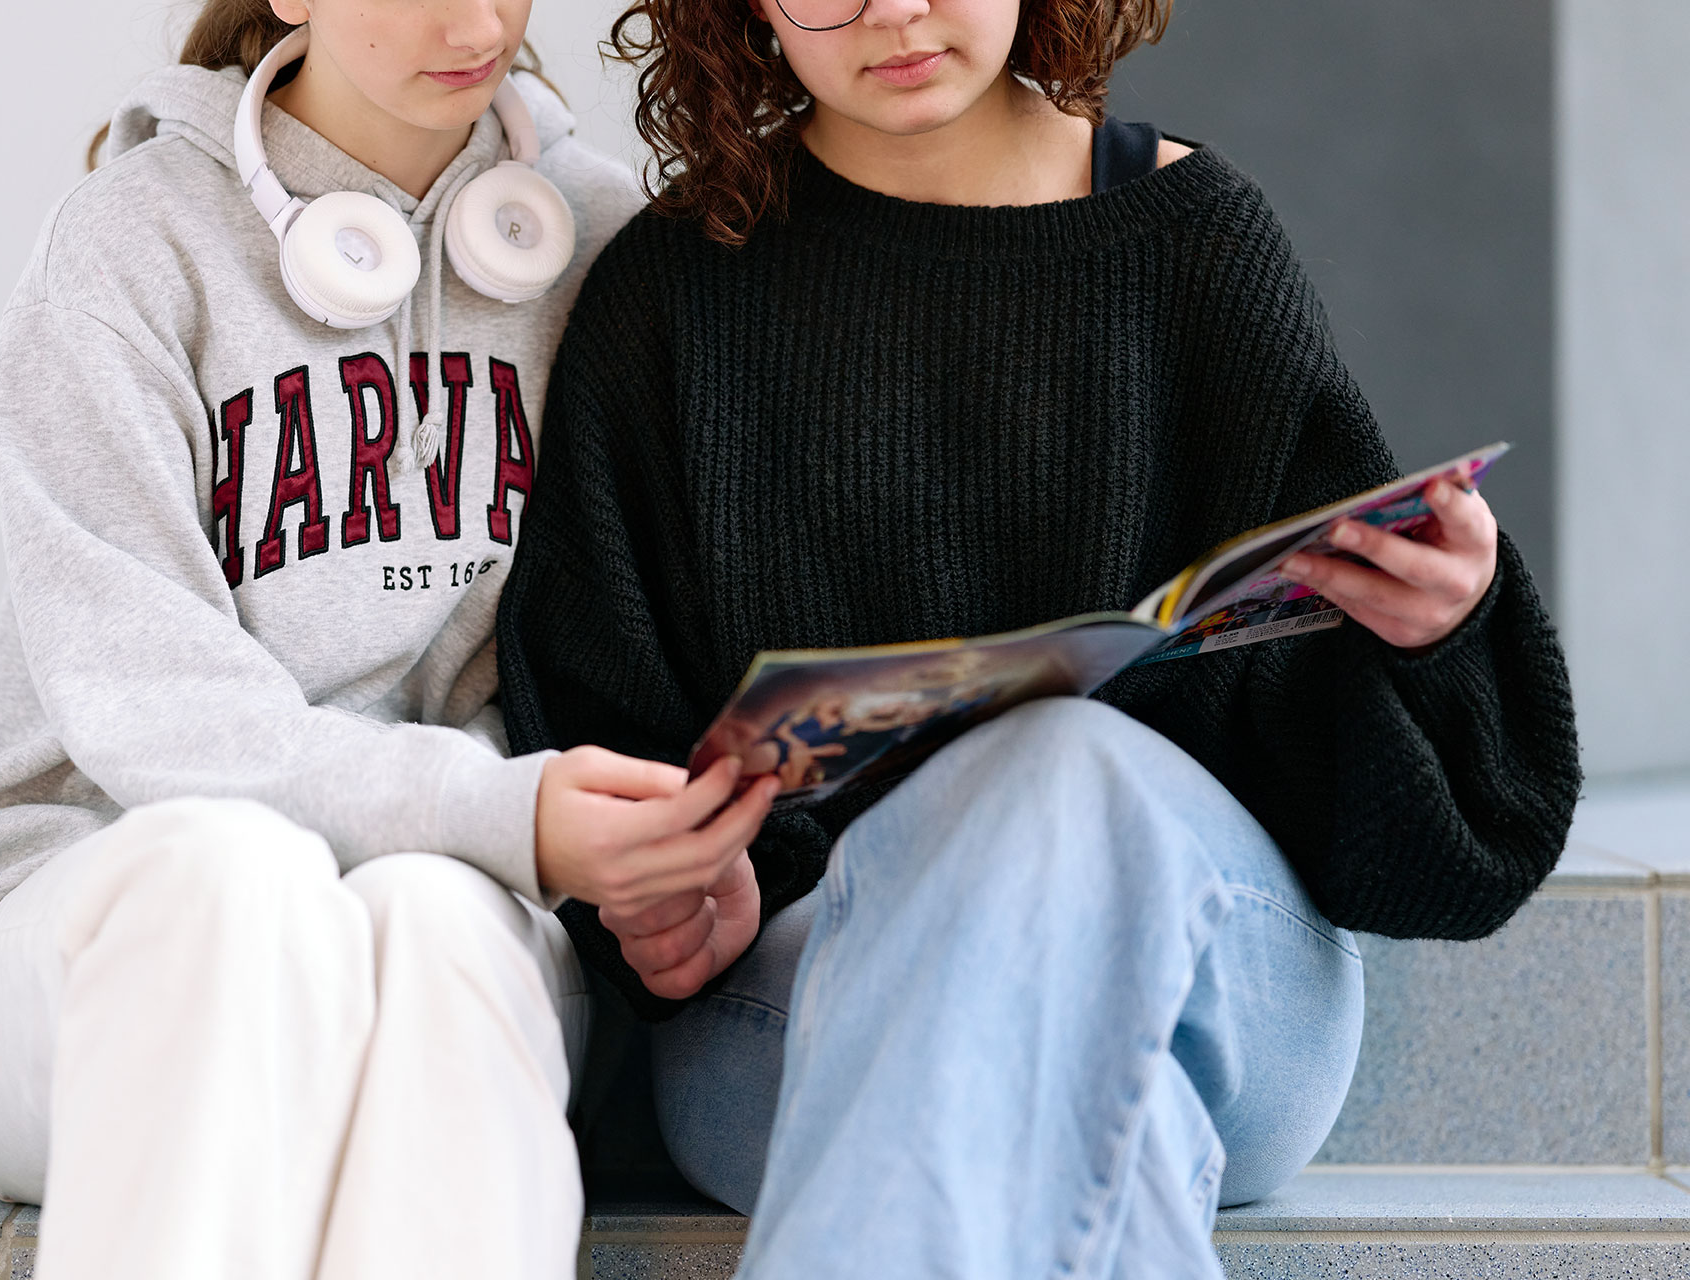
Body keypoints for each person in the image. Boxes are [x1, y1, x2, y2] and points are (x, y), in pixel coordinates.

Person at [496, 0, 1583, 1275]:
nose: (892, 12)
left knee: (1062, 769)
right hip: (789, 1006)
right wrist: (681, 892)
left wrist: (1442, 635)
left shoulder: (1198, 246)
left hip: (1218, 991)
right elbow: (594, 742)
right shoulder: (671, 294)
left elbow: (1454, 864)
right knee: (1091, 1117)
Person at [0, 2, 779, 1277]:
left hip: (464, 907)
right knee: (232, 870)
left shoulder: (604, 245)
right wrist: (506, 808)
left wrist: (672, 836)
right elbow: (157, 706)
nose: (471, 21)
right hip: (104, 923)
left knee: (447, 911)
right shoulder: (128, 247)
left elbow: (633, 648)